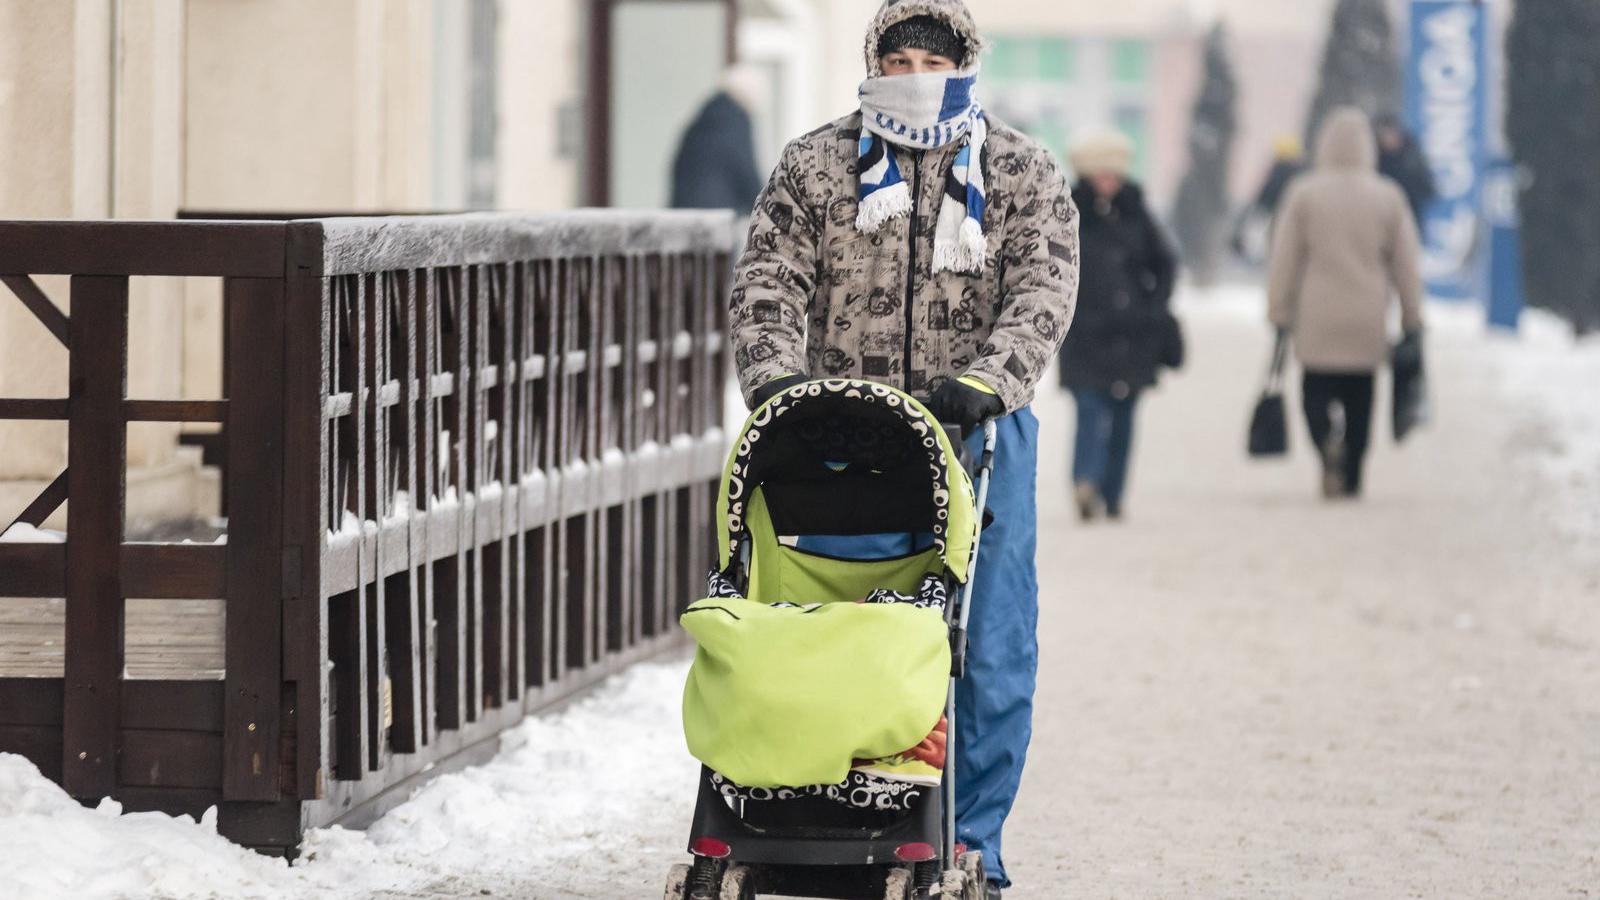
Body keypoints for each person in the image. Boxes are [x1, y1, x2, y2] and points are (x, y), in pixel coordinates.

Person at [727, 1, 1079, 894]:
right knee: (851, 638)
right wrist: (778, 384)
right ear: (873, 60)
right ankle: (841, 816)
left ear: (967, 63)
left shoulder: (1021, 169)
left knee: (987, 647)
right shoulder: (814, 165)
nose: (915, 72)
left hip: (980, 433)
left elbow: (1044, 286)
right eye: (900, 55)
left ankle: (972, 839)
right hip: (845, 439)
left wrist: (993, 380)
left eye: (935, 56)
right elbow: (767, 280)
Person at [1268, 106, 1424, 498]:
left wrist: (1279, 309)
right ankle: (1352, 472)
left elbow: (1285, 258)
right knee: (1361, 399)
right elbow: (1406, 264)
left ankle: (1326, 447)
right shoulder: (1388, 196)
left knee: (1314, 393)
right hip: (1366, 316)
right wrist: (1412, 315)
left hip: (1317, 315)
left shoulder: (1304, 194)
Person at [1056, 129, 1178, 522]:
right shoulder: (1067, 213)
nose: (1108, 181)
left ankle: (1113, 493)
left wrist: (1152, 306)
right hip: (1085, 335)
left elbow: (1165, 264)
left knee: (1124, 417)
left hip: (1132, 336)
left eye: (1114, 173)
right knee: (1090, 411)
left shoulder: (1138, 212)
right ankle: (1084, 483)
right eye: (1100, 173)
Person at [670, 67, 766, 213]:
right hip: (718, 213)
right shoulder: (736, 120)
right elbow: (745, 169)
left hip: (685, 211)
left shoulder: (704, 118)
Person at [1231, 133, 1305, 263]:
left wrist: (1259, 203)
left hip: (1268, 208)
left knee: (1259, 236)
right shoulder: (1299, 172)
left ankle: (1253, 258)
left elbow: (1269, 189)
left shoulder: (1281, 168)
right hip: (1283, 210)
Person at [1373, 113, 1437, 230]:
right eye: (1385, 134)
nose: (1389, 138)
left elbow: (1429, 189)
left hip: (1410, 221)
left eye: (1391, 133)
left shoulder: (1411, 155)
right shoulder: (1375, 159)